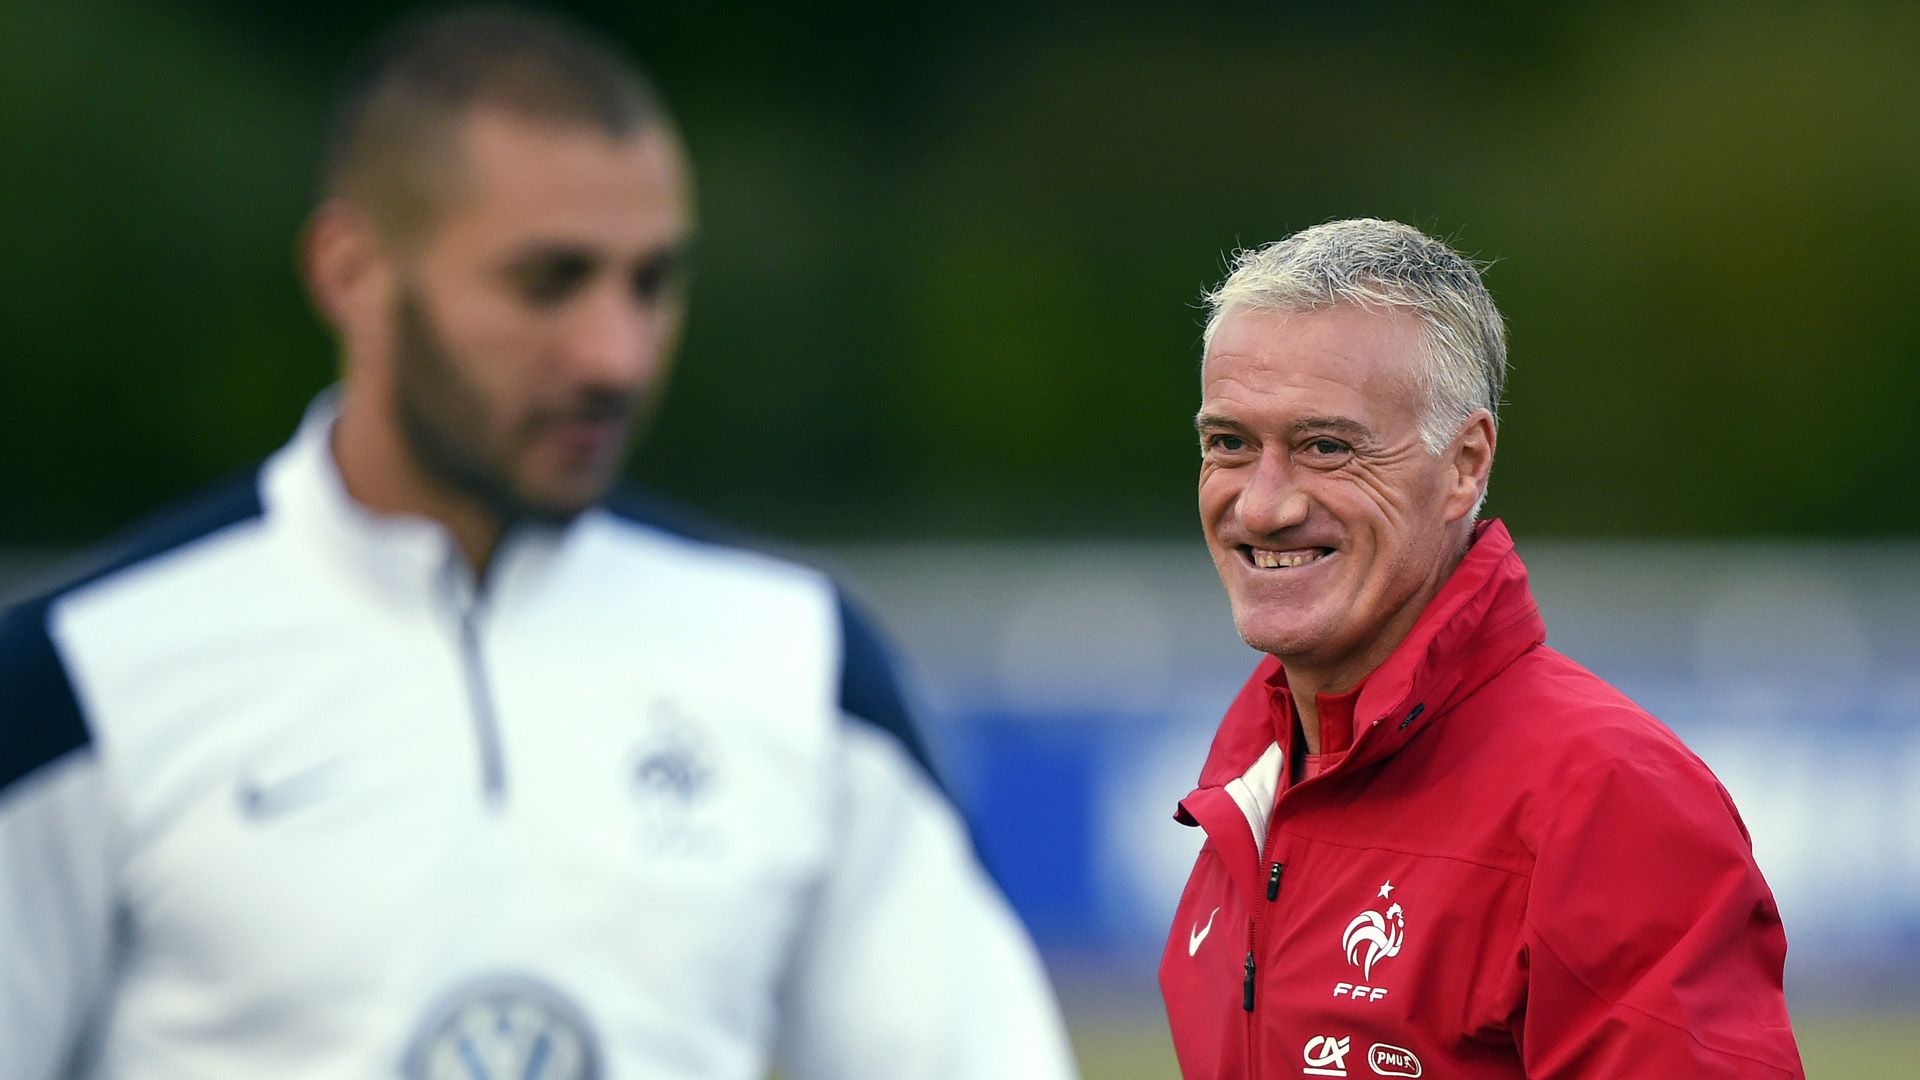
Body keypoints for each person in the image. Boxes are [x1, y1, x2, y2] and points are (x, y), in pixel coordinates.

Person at [0, 8, 1077, 1078]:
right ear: (351, 271)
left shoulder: (802, 661)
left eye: (652, 283)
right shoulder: (85, 681)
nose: (616, 355)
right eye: (548, 282)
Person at [1157, 219, 1804, 1079]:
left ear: (1465, 464)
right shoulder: (1254, 785)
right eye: (1230, 444)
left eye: (1326, 448)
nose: (1264, 506)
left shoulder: (1606, 797)